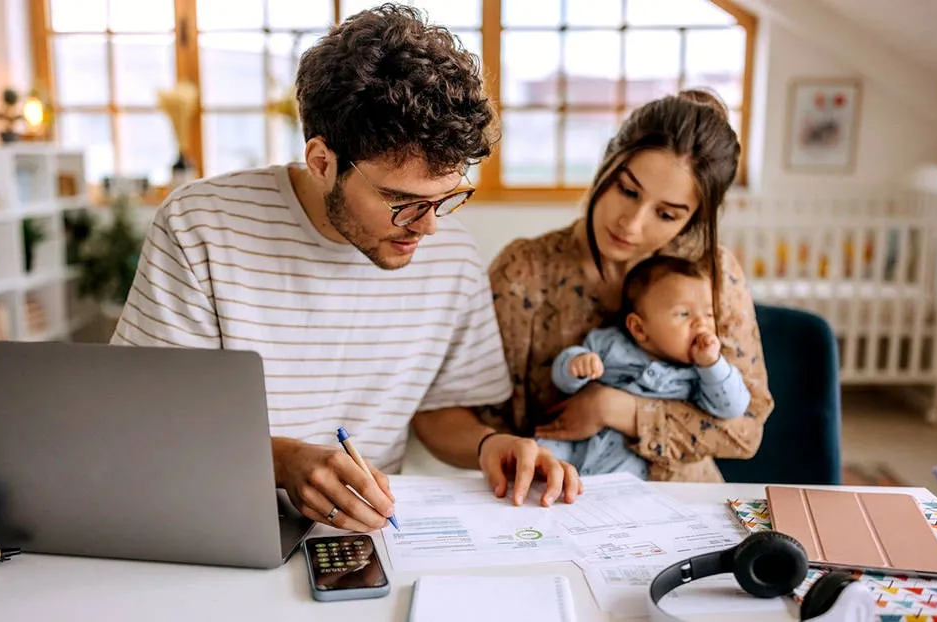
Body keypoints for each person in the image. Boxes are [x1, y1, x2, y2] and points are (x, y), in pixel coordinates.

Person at [109, 3, 582, 534]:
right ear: (321, 162)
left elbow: (439, 411)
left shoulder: (452, 254)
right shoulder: (202, 225)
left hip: (369, 534)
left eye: (445, 198)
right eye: (401, 201)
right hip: (218, 517)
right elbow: (148, 419)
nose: (428, 227)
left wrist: (489, 444)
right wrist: (283, 462)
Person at [488, 88, 774, 483]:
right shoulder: (523, 272)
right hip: (554, 495)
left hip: (681, 501)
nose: (632, 224)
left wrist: (615, 409)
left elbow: (745, 430)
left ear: (692, 220)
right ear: (607, 162)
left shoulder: (715, 273)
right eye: (627, 190)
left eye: (666, 214)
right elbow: (481, 421)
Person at [541, 254, 751, 478]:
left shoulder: (699, 374)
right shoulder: (610, 343)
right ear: (639, 329)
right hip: (577, 444)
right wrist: (576, 364)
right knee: (541, 454)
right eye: (684, 313)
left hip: (630, 457)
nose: (702, 323)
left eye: (709, 314)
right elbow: (563, 382)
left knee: (624, 484)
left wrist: (712, 365)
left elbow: (732, 408)